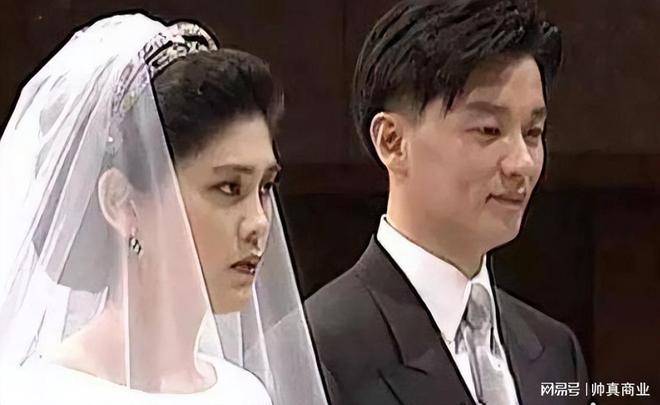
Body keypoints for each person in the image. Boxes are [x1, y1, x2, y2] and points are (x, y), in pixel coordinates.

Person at [0, 13, 327, 405]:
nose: (258, 222)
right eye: (229, 188)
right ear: (122, 203)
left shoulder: (245, 394)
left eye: (266, 188)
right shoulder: (37, 394)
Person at [305, 1, 588, 404]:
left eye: (532, 132)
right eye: (488, 130)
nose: (522, 163)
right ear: (392, 142)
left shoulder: (555, 349)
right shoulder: (317, 351)